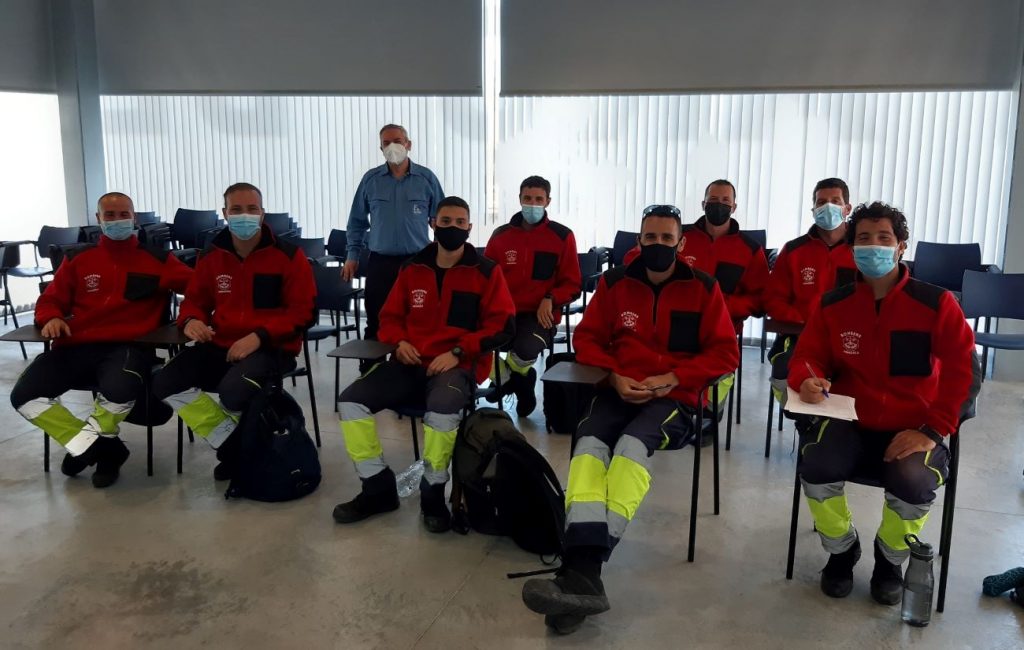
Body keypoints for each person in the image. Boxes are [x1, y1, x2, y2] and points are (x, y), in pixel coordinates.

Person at [521, 205, 739, 634]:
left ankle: (583, 569)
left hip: (673, 396)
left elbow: (725, 353)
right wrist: (614, 374)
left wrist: (674, 377)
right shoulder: (615, 283)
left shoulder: (704, 288)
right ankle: (584, 581)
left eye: (666, 238)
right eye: (650, 238)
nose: (658, 245)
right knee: (587, 448)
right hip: (618, 388)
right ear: (638, 241)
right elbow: (586, 338)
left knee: (630, 448)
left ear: (682, 242)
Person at [788, 201, 979, 605]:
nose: (873, 246)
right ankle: (841, 551)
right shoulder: (833, 304)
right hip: (849, 421)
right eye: (863, 239)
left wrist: (932, 430)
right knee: (816, 463)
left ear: (901, 247)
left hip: (914, 427)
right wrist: (807, 379)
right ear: (851, 247)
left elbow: (965, 372)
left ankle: (890, 559)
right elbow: (808, 356)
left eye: (883, 238)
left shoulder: (936, 303)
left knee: (914, 480)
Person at [334, 196, 516, 532]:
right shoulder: (412, 268)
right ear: (433, 224)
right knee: (350, 402)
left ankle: (433, 492)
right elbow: (388, 317)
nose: (452, 228)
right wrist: (398, 342)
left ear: (470, 228)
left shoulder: (487, 272)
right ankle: (377, 487)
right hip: (409, 361)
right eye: (445, 222)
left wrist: (460, 352)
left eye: (460, 223)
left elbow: (502, 327)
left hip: (458, 366)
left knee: (442, 410)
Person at [10, 192, 192, 488]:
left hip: (128, 348)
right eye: (110, 215)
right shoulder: (78, 260)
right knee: (23, 397)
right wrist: (51, 317)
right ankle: (100, 449)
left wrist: (192, 317)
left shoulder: (158, 260)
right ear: (99, 220)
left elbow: (200, 291)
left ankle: (92, 450)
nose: (117, 221)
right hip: (75, 346)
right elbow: (50, 300)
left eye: (123, 215)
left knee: (119, 391)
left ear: (134, 218)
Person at [152, 183, 316, 480]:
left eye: (252, 209)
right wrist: (190, 321)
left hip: (272, 347)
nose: (245, 216)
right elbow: (195, 301)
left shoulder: (289, 256)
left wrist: (259, 336)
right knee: (165, 382)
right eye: (237, 210)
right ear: (225, 213)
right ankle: (232, 445)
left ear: (263, 214)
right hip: (221, 344)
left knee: (233, 393)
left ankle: (246, 449)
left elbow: (303, 313)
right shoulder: (212, 256)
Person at [483, 175, 581, 416]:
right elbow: (483, 278)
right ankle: (518, 381)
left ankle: (510, 379)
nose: (533, 204)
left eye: (539, 199)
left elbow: (573, 284)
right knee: (471, 344)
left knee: (526, 348)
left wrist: (551, 298)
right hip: (503, 312)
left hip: (540, 316)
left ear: (548, 201)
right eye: (528, 198)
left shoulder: (562, 236)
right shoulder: (500, 236)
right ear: (519, 199)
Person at [341, 124, 445, 345]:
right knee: (376, 319)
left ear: (408, 145)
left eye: (397, 141)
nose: (392, 146)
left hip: (418, 262)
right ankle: (370, 372)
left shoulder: (426, 179)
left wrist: (441, 260)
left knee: (418, 319)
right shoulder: (371, 180)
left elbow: (441, 222)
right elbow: (356, 222)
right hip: (380, 263)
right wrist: (352, 256)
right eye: (386, 143)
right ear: (381, 148)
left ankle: (411, 371)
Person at [623, 180, 769, 331]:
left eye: (725, 201)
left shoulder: (750, 249)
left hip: (721, 326)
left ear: (734, 207)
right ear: (703, 204)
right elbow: (633, 258)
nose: (719, 204)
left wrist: (724, 304)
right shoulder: (675, 236)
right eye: (713, 200)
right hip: (667, 321)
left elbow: (761, 298)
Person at [762, 178, 857, 388]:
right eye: (821, 202)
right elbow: (772, 299)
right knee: (783, 371)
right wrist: (804, 320)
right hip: (801, 336)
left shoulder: (862, 251)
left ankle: (821, 420)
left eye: (835, 201)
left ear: (847, 208)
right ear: (813, 209)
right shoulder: (794, 251)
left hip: (851, 339)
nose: (827, 207)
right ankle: (805, 419)